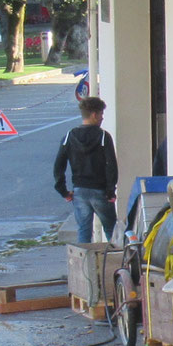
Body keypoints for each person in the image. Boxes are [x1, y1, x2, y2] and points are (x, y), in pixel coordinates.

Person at [54, 96, 121, 243]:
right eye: (101, 114)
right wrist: (111, 190)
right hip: (100, 191)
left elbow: (59, 165)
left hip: (80, 191)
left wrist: (63, 191)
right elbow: (111, 165)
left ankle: (84, 263)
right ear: (94, 115)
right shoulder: (103, 136)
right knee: (111, 230)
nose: (102, 117)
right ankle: (115, 260)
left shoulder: (70, 136)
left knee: (84, 230)